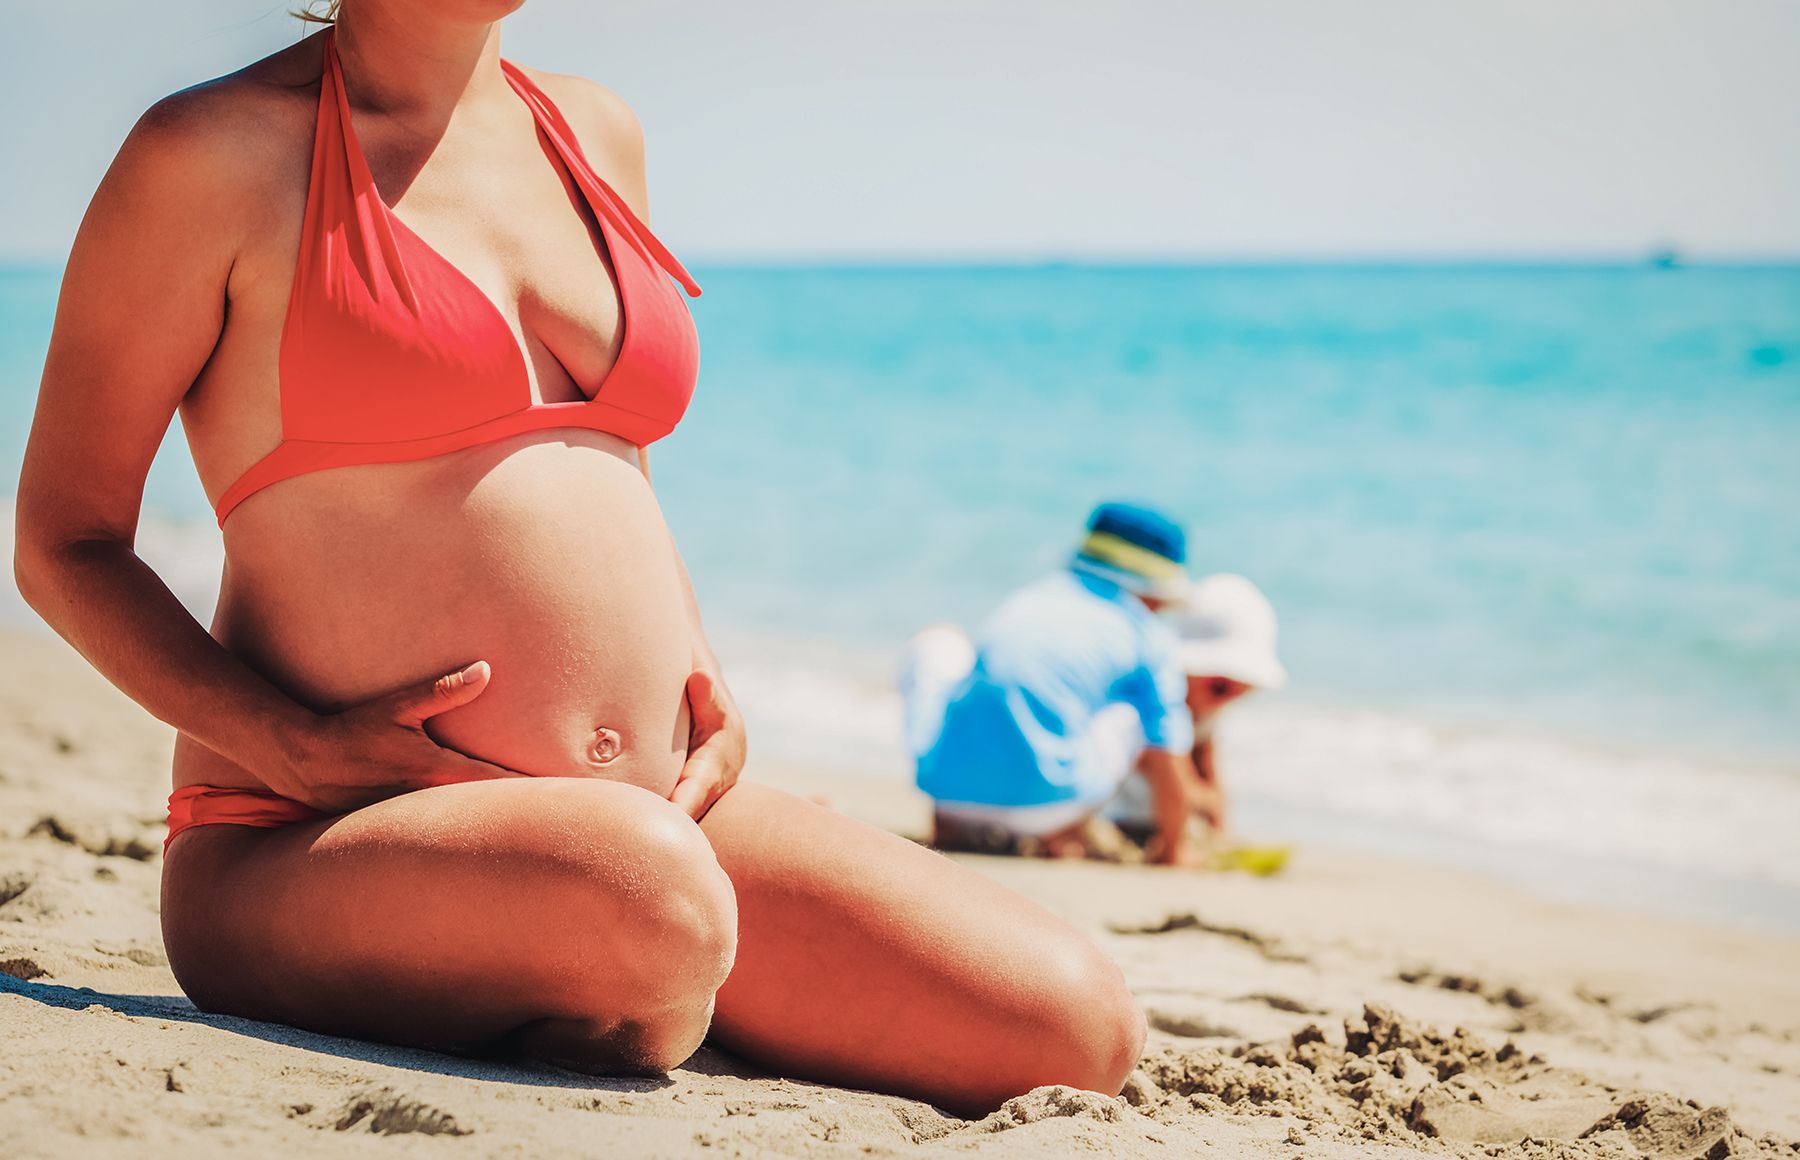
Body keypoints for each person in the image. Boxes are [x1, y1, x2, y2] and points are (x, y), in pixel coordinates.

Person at [10, 1, 1143, 1115]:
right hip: (315, 839)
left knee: (1073, 1026)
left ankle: (623, 973)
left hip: (656, 815)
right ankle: (625, 967)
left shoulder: (595, 133)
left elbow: (610, 463)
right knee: (650, 901)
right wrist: (291, 746)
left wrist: (702, 671)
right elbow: (65, 538)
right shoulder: (210, 151)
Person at [900, 502, 1217, 866]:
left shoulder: (1034, 597)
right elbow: (1168, 751)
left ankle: (949, 825)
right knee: (1132, 712)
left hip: (949, 794)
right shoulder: (1147, 634)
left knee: (937, 644)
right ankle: (1063, 834)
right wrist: (1174, 849)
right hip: (1048, 808)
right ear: (1155, 591)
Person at [1106, 573, 1287, 844]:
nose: (1226, 700)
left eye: (1243, 692)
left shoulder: (1207, 709)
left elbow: (1208, 768)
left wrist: (1221, 835)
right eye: (1220, 687)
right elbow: (1161, 766)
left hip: (1153, 819)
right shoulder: (1149, 705)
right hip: (1113, 815)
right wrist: (1198, 797)